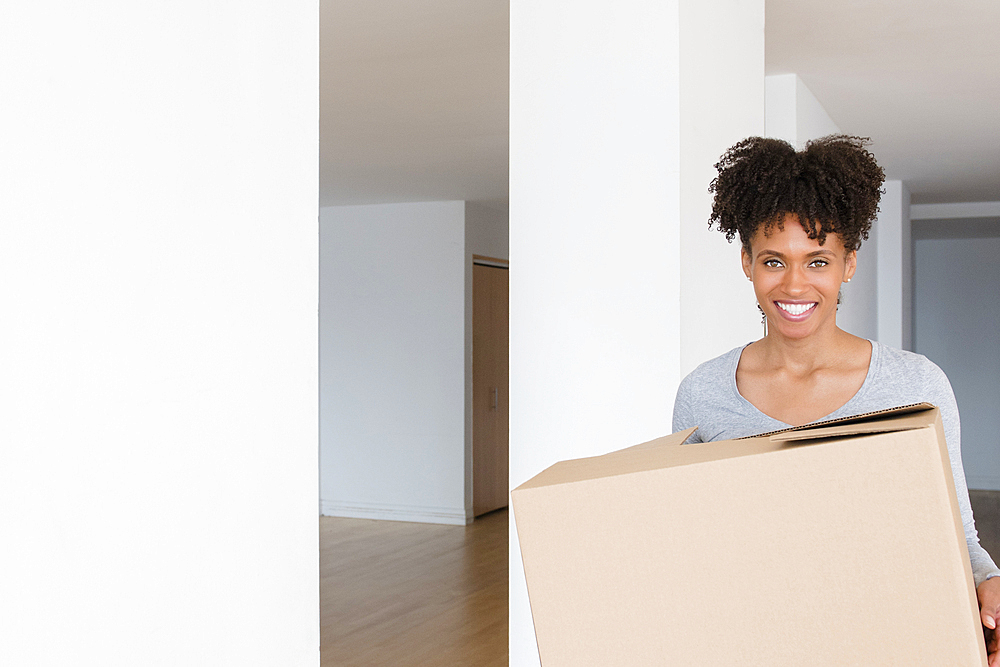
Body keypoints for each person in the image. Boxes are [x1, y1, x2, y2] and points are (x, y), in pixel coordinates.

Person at [671, 135, 1000, 665]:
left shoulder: (917, 385)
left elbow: (955, 532)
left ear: (848, 263)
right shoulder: (703, 394)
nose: (795, 285)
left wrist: (989, 584)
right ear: (747, 263)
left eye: (818, 261)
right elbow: (687, 538)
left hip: (884, 644)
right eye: (774, 261)